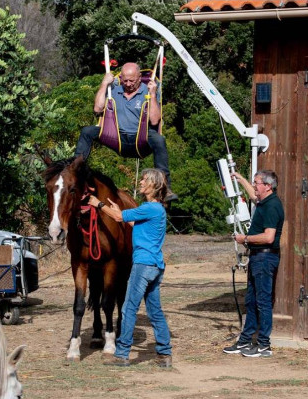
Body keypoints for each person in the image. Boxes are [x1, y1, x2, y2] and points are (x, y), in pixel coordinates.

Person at [87, 168, 172, 367]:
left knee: (128, 308)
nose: (141, 183)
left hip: (142, 265)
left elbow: (118, 218)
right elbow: (132, 222)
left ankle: (122, 353)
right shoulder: (157, 210)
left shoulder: (149, 208)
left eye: (144, 180)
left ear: (153, 185)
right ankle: (164, 354)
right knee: (155, 311)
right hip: (155, 266)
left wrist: (97, 204)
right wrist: (116, 209)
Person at [75, 62, 178, 202]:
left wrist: (153, 95)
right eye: (125, 80)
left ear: (140, 77)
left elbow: (154, 121)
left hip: (140, 140)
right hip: (116, 137)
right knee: (87, 131)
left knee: (159, 140)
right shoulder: (114, 90)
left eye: (132, 81)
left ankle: (165, 188)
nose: (128, 84)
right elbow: (97, 110)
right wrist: (104, 84)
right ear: (121, 78)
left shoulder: (148, 91)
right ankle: (76, 171)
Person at [222, 170, 284, 358]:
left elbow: (268, 236)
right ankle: (245, 340)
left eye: (256, 182)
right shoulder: (264, 202)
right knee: (251, 300)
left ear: (267, 186)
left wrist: (245, 238)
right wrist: (239, 179)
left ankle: (264, 345)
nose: (254, 185)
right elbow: (251, 194)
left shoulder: (272, 206)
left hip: (265, 258)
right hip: (258, 257)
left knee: (263, 301)